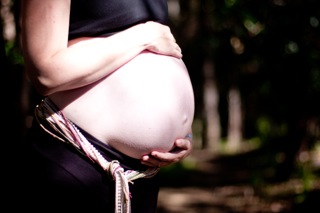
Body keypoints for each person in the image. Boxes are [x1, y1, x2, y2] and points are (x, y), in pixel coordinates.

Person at [19, 0, 195, 212]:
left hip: (141, 176)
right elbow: (44, 72)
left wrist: (181, 133)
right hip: (75, 162)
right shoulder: (143, 34)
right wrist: (143, 37)